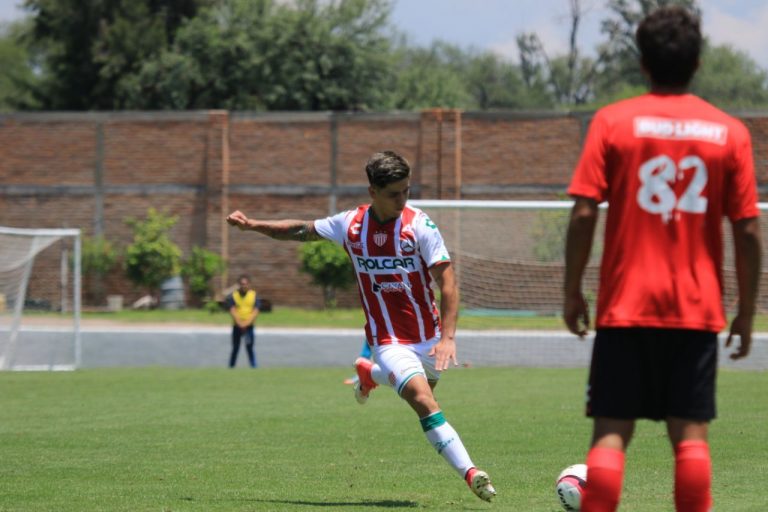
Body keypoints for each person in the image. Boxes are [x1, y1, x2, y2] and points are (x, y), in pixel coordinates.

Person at [562, 6, 761, 512]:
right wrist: (746, 309)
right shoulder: (729, 132)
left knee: (610, 433)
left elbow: (584, 213)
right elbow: (748, 230)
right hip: (695, 309)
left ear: (643, 64)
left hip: (625, 306)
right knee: (690, 438)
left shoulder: (612, 122)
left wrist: (570, 291)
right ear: (696, 63)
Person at [227, 150, 496, 502]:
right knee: (422, 400)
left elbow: (448, 283)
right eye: (394, 193)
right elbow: (301, 230)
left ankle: (370, 375)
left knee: (425, 390)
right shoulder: (350, 225)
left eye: (406, 191)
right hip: (388, 339)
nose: (402, 200)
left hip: (428, 337)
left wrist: (447, 338)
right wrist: (252, 225)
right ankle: (471, 473)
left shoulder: (419, 226)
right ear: (373, 192)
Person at [225, 274, 260, 368]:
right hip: (237, 326)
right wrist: (240, 323)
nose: (243, 286)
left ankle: (254, 367)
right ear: (239, 285)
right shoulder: (234, 296)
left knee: (249, 347)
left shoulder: (254, 295)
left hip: (249, 327)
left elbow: (255, 311)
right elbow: (232, 310)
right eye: (241, 284)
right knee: (235, 348)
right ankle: (231, 367)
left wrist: (246, 323)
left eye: (245, 284)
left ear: (249, 284)